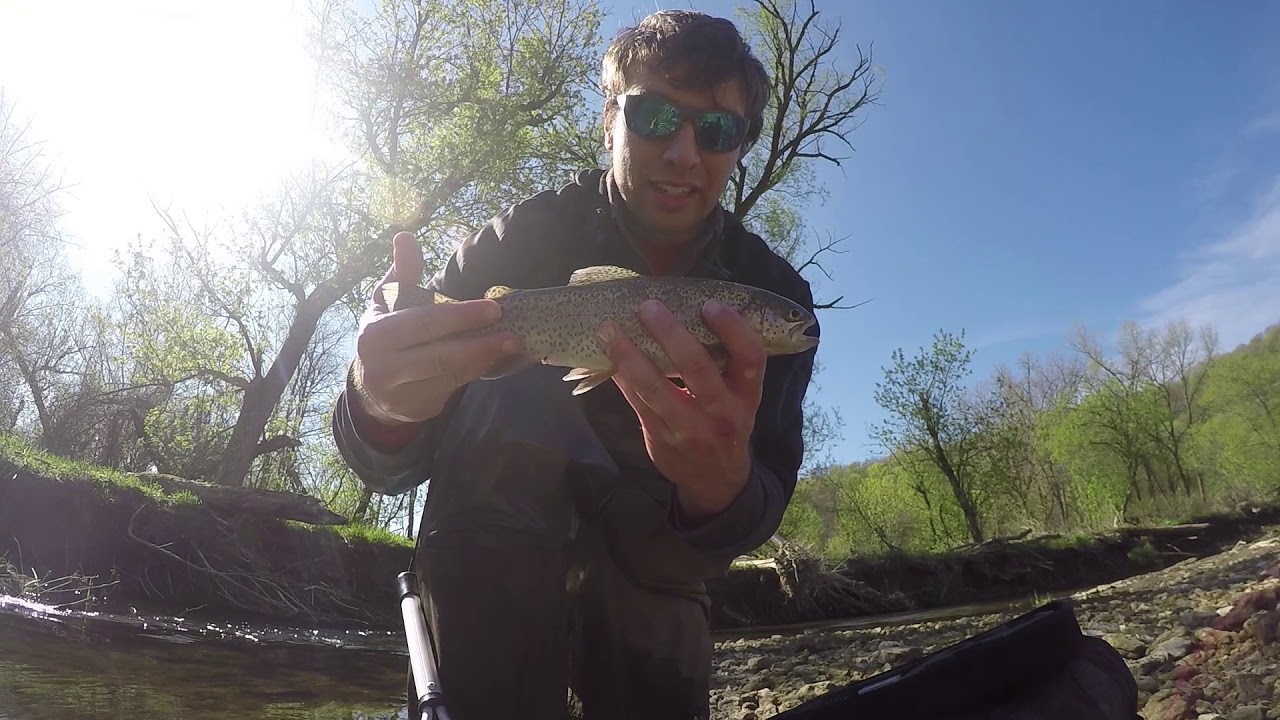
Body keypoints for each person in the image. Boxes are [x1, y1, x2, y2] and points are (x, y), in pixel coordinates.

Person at [330, 9, 817, 720]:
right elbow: (386, 465)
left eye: (716, 131)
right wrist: (380, 406)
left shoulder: (774, 296)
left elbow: (758, 504)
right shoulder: (514, 242)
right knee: (504, 402)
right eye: (655, 116)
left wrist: (723, 490)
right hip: (486, 564)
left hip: (653, 584)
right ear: (609, 118)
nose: (685, 154)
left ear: (741, 144)